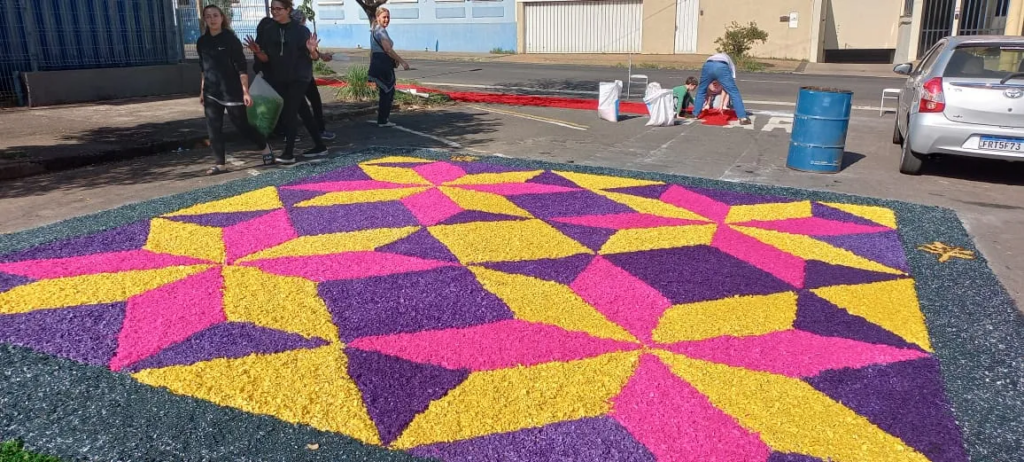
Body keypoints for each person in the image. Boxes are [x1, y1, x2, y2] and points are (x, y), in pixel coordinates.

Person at [244, 0, 327, 164]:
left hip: (299, 77)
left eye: (279, 9)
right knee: (303, 110)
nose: (275, 12)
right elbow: (266, 58)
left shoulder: (301, 30)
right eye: (272, 8)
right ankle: (320, 145)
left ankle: (289, 153)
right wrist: (258, 51)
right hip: (279, 77)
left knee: (289, 112)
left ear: (288, 10)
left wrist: (312, 51)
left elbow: (315, 57)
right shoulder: (268, 30)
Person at [196, 4, 272, 175]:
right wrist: (202, 90)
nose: (212, 19)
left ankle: (264, 147)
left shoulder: (231, 40)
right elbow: (204, 68)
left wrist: (245, 91)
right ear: (204, 20)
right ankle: (220, 164)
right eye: (208, 16)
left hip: (231, 90)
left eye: (215, 15)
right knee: (213, 127)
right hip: (211, 92)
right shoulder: (202, 42)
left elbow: (242, 68)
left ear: (222, 18)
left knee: (242, 126)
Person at [291, 9, 336, 141]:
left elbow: (312, 51)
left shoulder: (285, 32)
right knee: (314, 103)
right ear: (302, 21)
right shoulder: (302, 32)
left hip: (290, 76)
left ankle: (290, 135)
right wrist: (319, 56)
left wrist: (321, 55)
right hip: (304, 75)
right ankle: (319, 132)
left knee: (293, 106)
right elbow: (311, 53)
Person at [368, 8, 409, 128]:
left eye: (388, 17)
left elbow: (372, 52)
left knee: (385, 91)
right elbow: (387, 49)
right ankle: (383, 120)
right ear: (378, 18)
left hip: (378, 63)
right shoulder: (380, 31)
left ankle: (383, 118)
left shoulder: (374, 30)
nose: (386, 20)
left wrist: (372, 66)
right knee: (388, 91)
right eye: (384, 17)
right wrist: (402, 61)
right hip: (383, 64)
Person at [693, 52, 751, 125]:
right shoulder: (729, 60)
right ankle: (743, 118)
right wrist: (723, 104)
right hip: (721, 66)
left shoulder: (712, 56)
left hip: (707, 65)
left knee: (701, 91)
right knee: (734, 92)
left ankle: (695, 114)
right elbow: (731, 82)